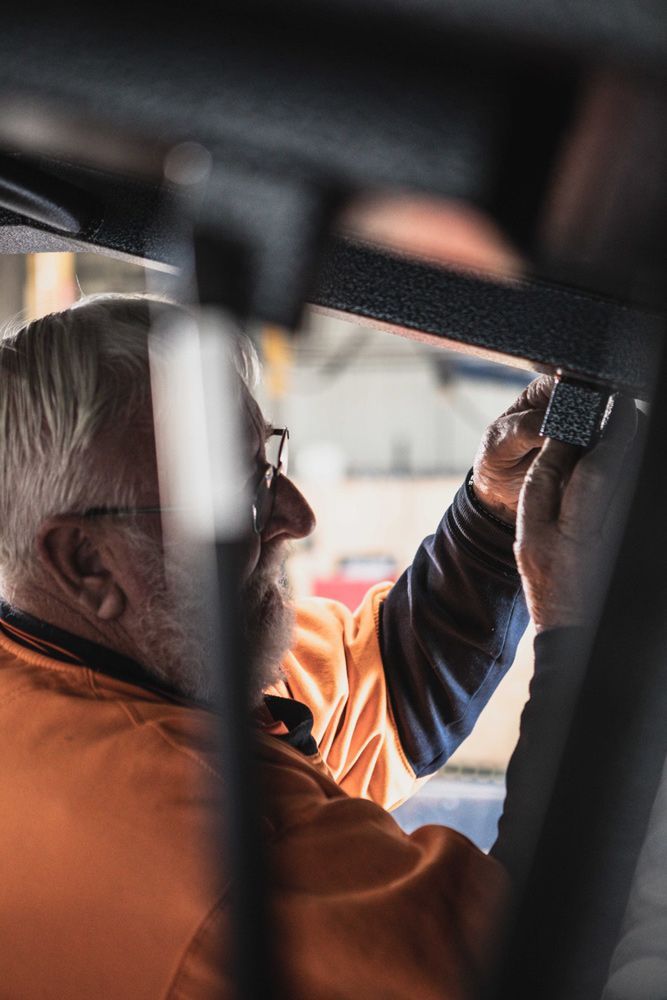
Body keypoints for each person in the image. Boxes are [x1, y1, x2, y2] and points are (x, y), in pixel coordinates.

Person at [0, 294, 626, 999]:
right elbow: (529, 967)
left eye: (266, 462)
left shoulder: (142, 659)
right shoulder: (220, 852)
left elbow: (388, 690)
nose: (297, 515)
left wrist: (491, 516)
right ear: (86, 562)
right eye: (236, 494)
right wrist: (580, 631)